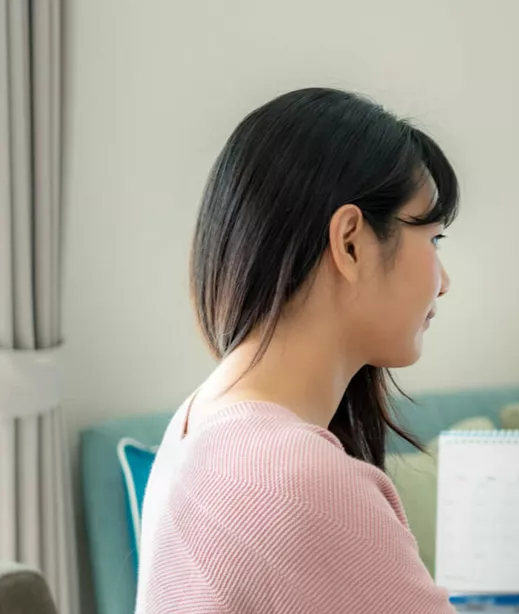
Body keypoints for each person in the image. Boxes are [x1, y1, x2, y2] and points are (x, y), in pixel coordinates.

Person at [134, 88, 459, 613]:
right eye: (434, 239)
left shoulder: (201, 417)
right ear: (351, 241)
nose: (442, 282)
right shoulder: (298, 479)